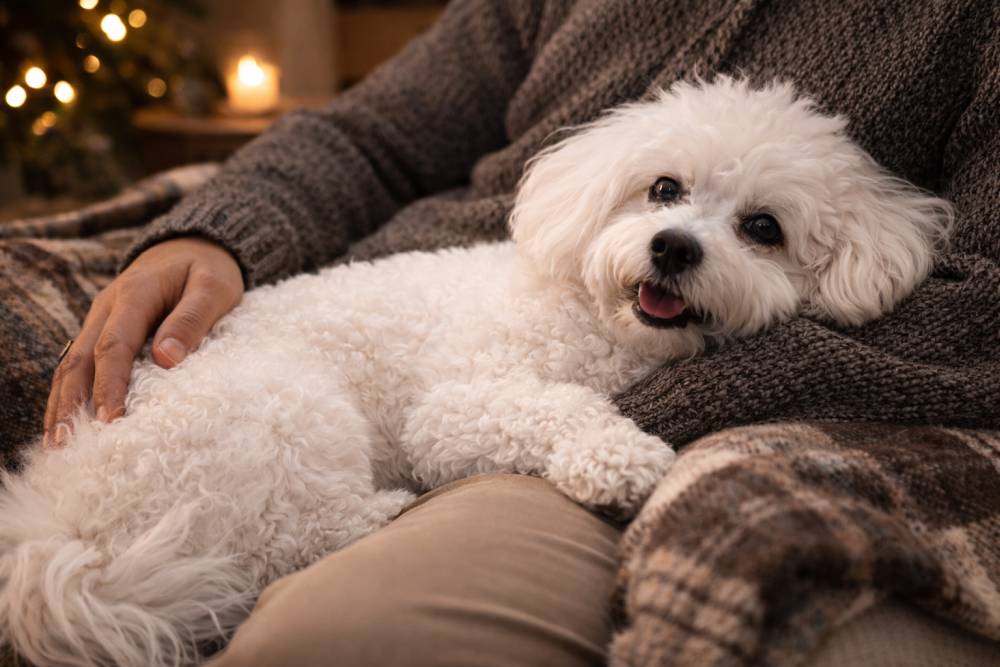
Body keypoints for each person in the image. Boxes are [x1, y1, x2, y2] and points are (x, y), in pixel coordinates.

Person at [42, 0, 999, 664]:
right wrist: (216, 235)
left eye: (760, 228)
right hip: (373, 339)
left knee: (333, 636)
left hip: (646, 410)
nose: (678, 236)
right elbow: (370, 133)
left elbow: (982, 297)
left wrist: (654, 402)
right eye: (665, 194)